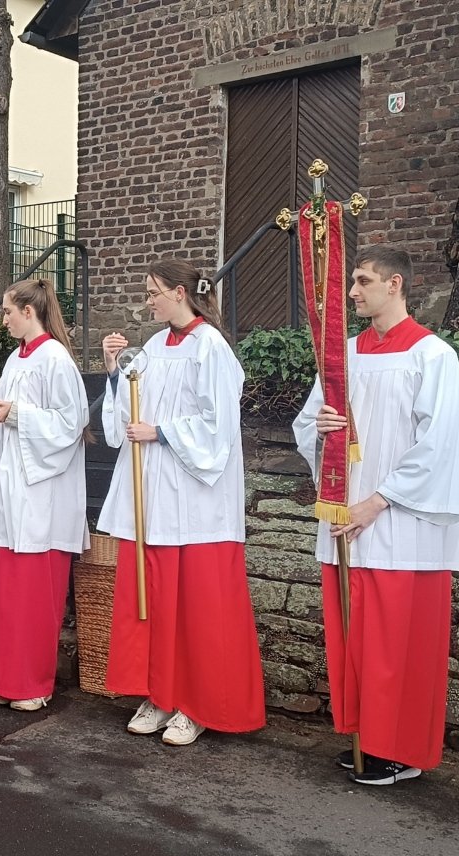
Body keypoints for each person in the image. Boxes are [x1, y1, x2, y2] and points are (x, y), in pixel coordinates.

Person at [292, 245, 459, 786]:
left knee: (400, 643)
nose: (352, 292)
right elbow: (308, 423)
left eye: (363, 281)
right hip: (348, 517)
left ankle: (402, 748)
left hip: (400, 523)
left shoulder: (433, 356)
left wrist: (378, 501)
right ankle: (366, 736)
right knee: (357, 638)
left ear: (395, 284)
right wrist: (321, 430)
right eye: (353, 281)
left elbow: (436, 444)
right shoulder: (343, 354)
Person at [97, 260, 266, 746]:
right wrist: (114, 373)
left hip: (194, 501)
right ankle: (160, 693)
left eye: (153, 292)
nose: (147, 300)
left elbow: (219, 428)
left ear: (179, 292)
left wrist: (163, 432)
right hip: (153, 493)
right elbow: (130, 409)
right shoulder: (152, 346)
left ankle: (198, 704)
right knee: (156, 603)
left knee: (199, 607)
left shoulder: (210, 346)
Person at [0, 279, 89, 712]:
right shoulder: (15, 358)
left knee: (33, 598)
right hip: (12, 498)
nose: (3, 318)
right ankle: (7, 678)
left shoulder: (56, 359)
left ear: (29, 311)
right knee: (7, 595)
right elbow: (5, 422)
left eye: (8, 311)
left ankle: (34, 684)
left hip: (42, 499)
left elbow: (71, 424)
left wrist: (16, 413)